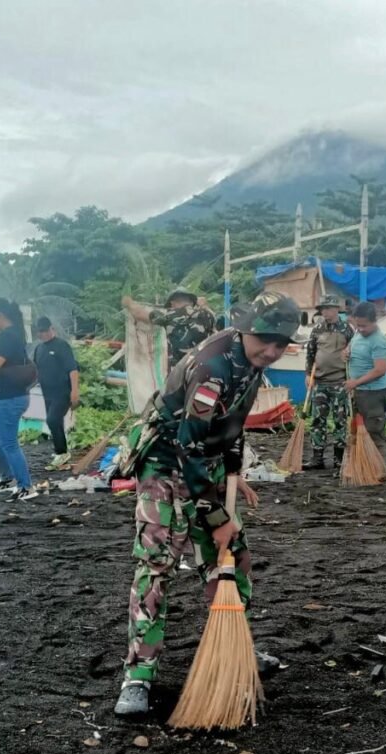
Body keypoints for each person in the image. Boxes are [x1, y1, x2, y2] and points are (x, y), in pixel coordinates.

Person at [113, 293, 301, 716]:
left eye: (281, 344)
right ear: (245, 328)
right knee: (157, 563)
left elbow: (232, 425)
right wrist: (216, 516)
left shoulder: (250, 363)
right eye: (264, 340)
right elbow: (188, 446)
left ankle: (236, 649)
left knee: (235, 558)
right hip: (166, 462)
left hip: (205, 462)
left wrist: (235, 473)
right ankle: (138, 677)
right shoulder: (214, 366)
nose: (271, 351)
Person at [0, 298, 38, 502]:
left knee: (9, 443)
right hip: (10, 396)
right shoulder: (16, 334)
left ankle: (25, 486)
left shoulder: (7, 336)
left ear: (0, 315)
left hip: (9, 397)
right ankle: (8, 477)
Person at [303, 294, 354, 470]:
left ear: (336, 310)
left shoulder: (347, 329)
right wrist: (308, 374)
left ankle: (339, 458)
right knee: (317, 419)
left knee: (340, 419)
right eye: (323, 309)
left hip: (340, 380)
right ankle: (318, 458)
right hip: (320, 382)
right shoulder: (317, 329)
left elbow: (354, 353)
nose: (325, 312)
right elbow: (310, 353)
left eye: (328, 309)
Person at [121, 288, 216, 369]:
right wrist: (203, 305)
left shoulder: (169, 315)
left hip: (180, 372)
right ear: (192, 302)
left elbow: (140, 314)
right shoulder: (207, 315)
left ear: (172, 303)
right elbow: (213, 319)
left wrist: (129, 303)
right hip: (204, 368)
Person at [33, 316, 80, 468]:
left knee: (52, 420)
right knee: (55, 422)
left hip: (63, 391)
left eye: (45, 331)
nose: (43, 334)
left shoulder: (62, 346)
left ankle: (62, 453)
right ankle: (61, 452)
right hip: (47, 393)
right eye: (40, 332)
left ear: (51, 329)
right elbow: (36, 370)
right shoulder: (39, 349)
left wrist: (75, 392)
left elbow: (73, 370)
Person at [344, 301, 386, 444]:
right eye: (358, 325)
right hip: (359, 390)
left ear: (374, 321)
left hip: (373, 392)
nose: (361, 329)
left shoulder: (379, 341)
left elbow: (380, 370)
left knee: (372, 431)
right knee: (358, 428)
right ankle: (360, 463)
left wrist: (355, 382)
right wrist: (345, 353)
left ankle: (376, 464)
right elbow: (349, 349)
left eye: (364, 325)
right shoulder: (358, 334)